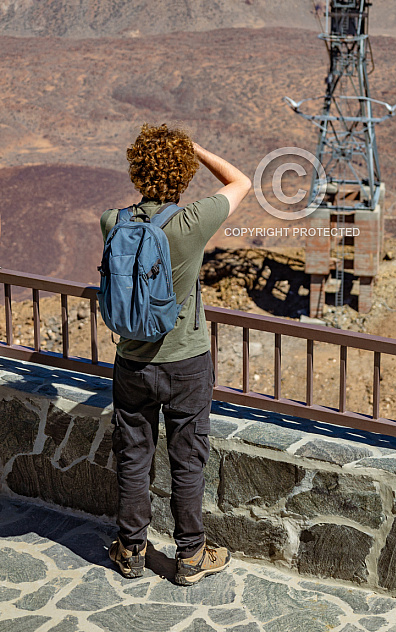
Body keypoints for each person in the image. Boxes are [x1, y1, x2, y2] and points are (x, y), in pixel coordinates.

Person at [101, 123, 251, 585]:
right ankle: (190, 556)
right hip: (186, 362)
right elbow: (241, 181)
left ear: (137, 171)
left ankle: (129, 549)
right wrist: (198, 149)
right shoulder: (190, 223)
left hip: (132, 363)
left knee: (134, 455)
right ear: (184, 176)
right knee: (187, 458)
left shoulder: (113, 221)